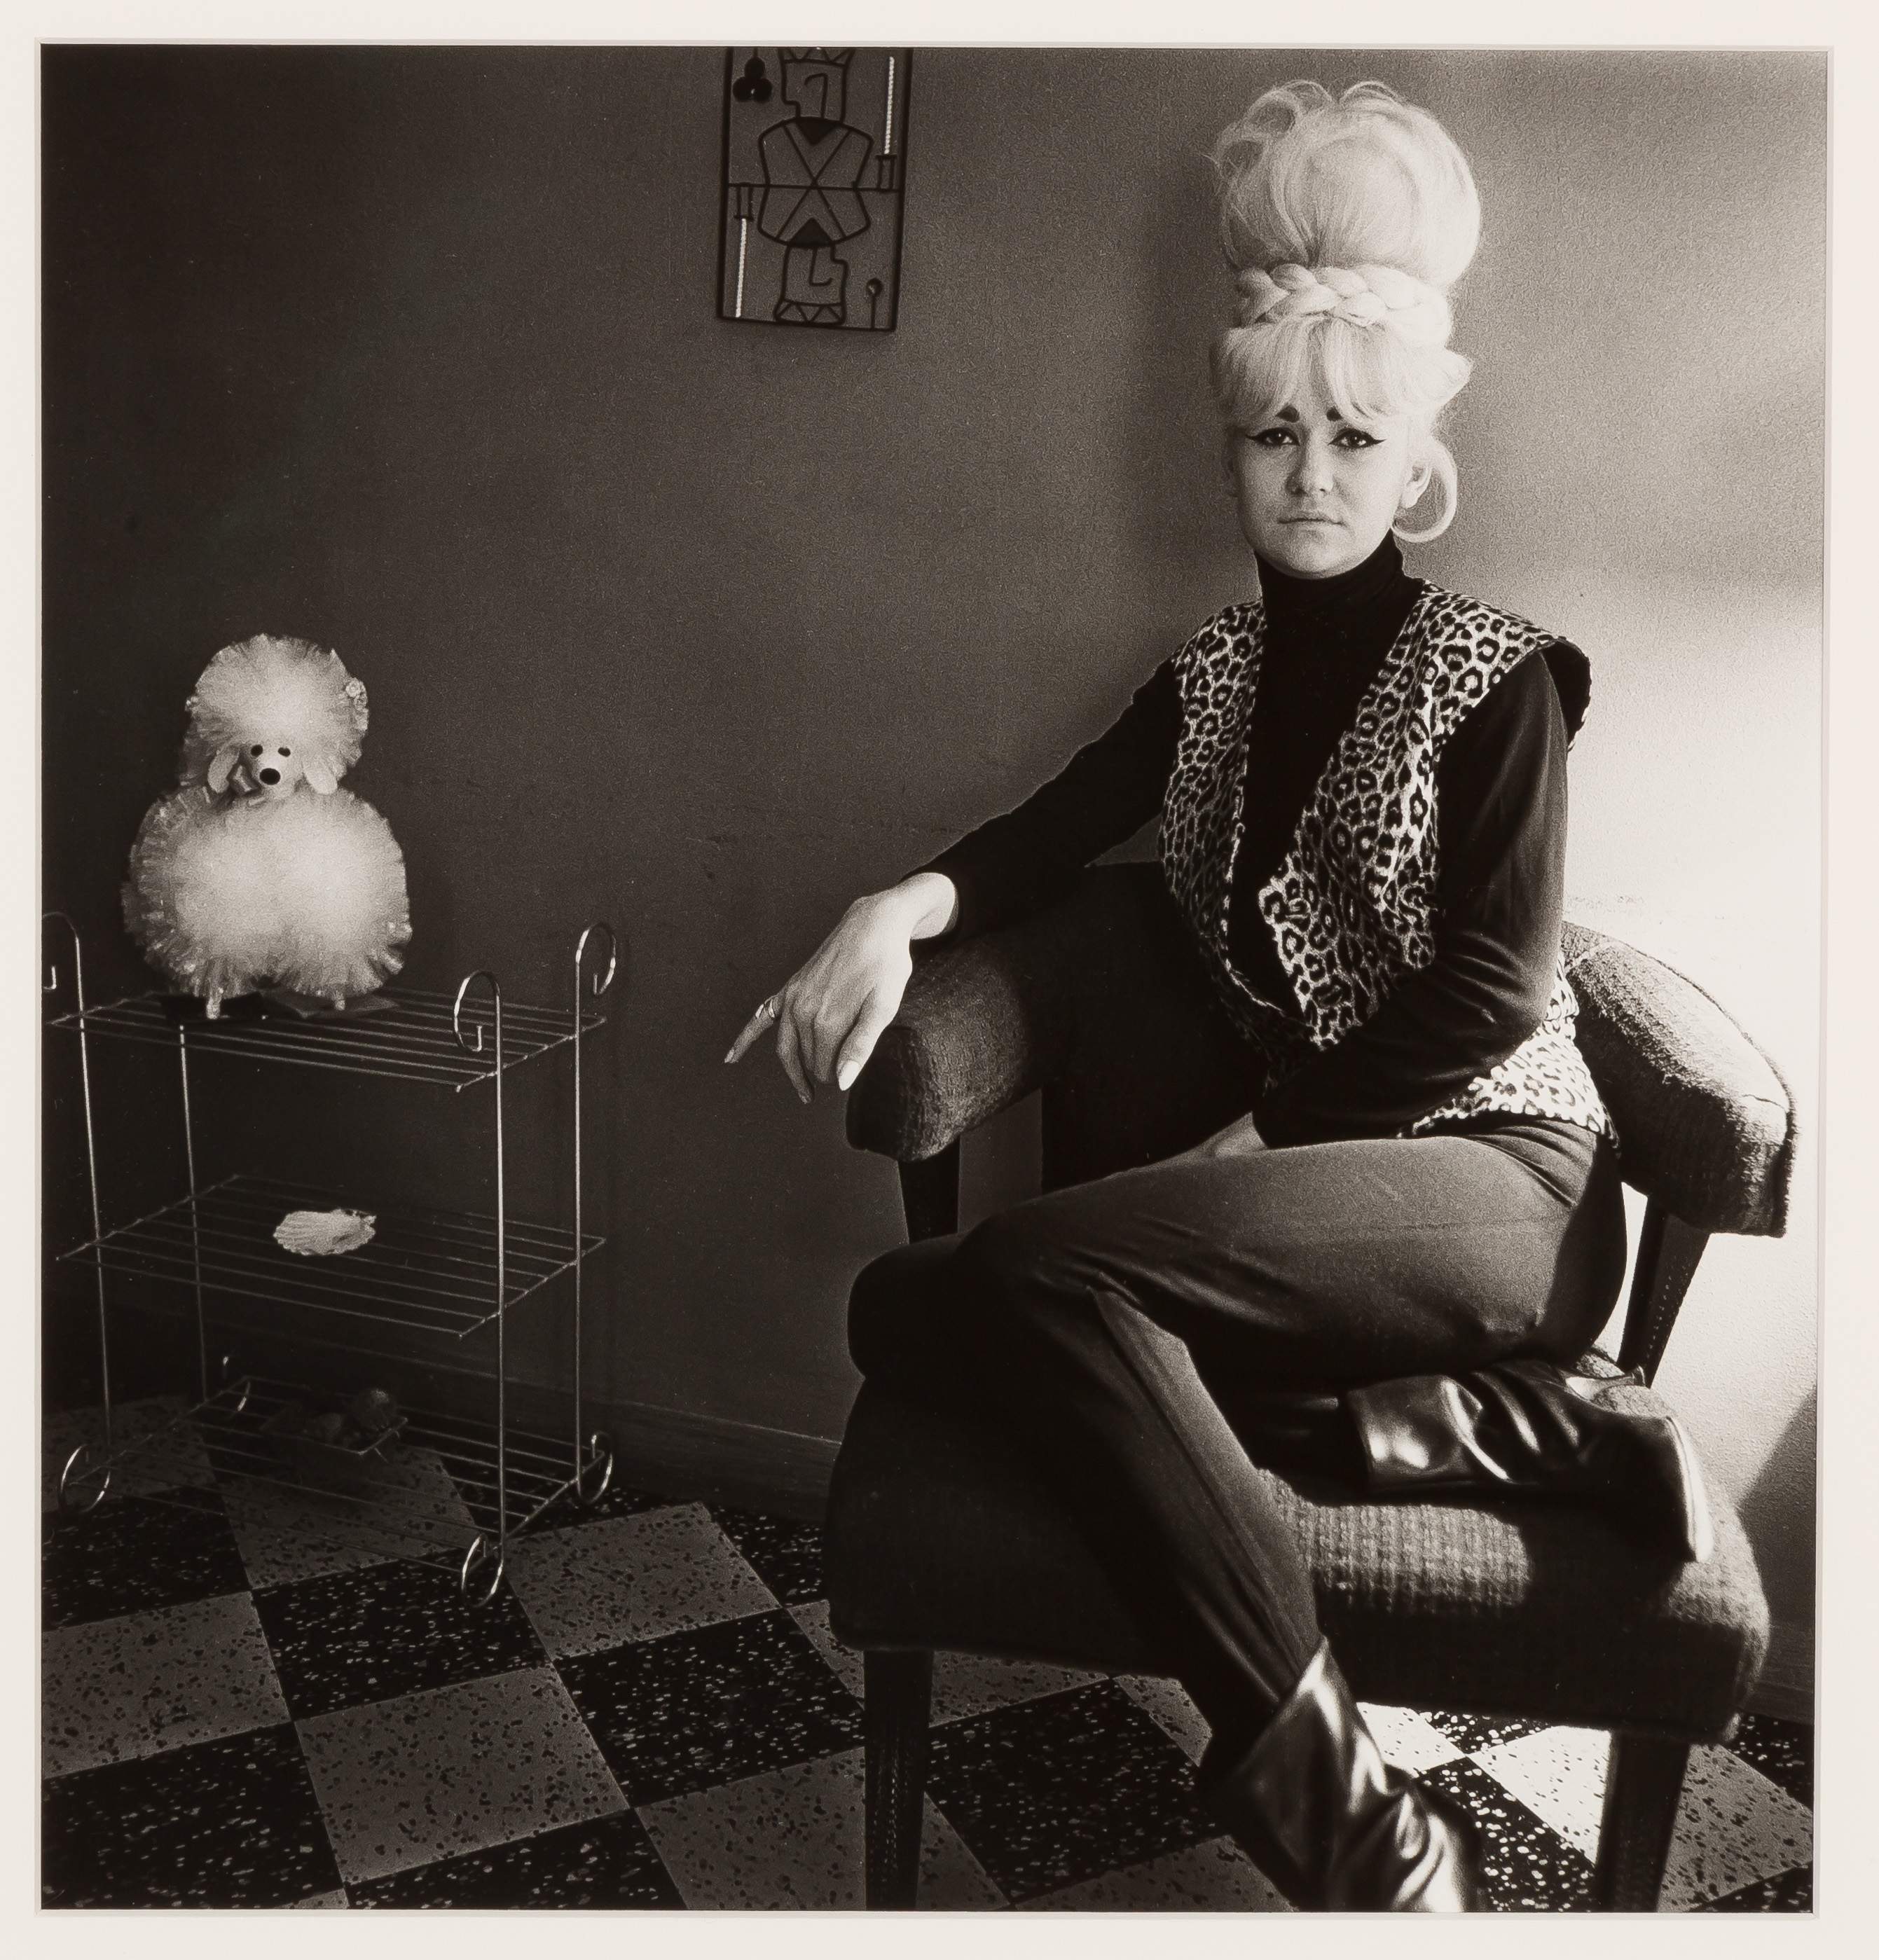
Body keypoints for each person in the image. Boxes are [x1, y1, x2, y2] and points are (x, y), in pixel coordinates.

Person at [726, 79, 1709, 1913]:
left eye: (1353, 435)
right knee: (900, 1306)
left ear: (1415, 460)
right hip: (1315, 1212)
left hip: (1498, 1175)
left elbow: (1493, 993)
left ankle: (1360, 1836)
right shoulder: (1215, 674)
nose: (1311, 473)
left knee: (1032, 1279)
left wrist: (1249, 1138)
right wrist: (889, 909)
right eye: (1274, 434)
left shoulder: (1502, 676)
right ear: (1231, 447)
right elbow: (1051, 831)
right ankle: (1512, 1428)